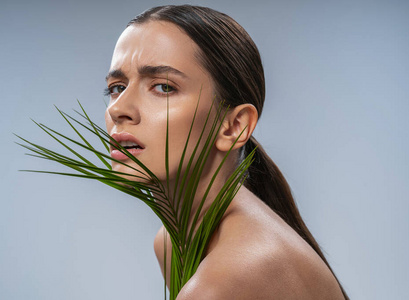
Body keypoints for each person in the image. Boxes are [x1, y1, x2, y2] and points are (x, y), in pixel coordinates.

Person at [104, 5, 348, 299]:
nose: (118, 109)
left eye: (163, 87)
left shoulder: (226, 279)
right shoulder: (171, 244)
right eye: (117, 87)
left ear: (233, 126)